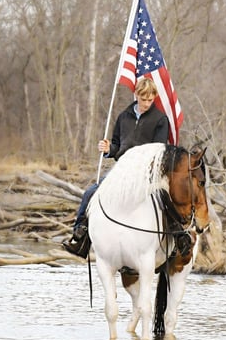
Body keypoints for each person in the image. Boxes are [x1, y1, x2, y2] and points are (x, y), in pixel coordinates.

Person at [63, 77, 170, 257]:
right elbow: (116, 145)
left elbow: (158, 151)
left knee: (169, 199)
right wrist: (108, 149)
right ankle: (80, 235)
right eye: (143, 99)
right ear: (136, 95)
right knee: (91, 192)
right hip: (122, 169)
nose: (146, 103)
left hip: (147, 171)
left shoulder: (160, 119)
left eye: (150, 100)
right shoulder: (124, 116)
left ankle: (177, 239)